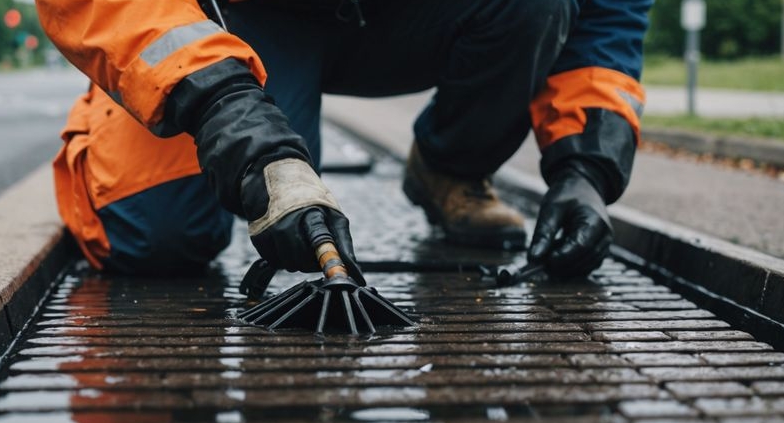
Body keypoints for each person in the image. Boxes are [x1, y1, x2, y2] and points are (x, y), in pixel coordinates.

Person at [36, 0, 651, 280]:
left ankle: (449, 167)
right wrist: (226, 111)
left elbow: (608, 9)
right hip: (236, 16)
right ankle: (161, 88)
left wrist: (585, 169)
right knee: (150, 238)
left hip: (409, 17)